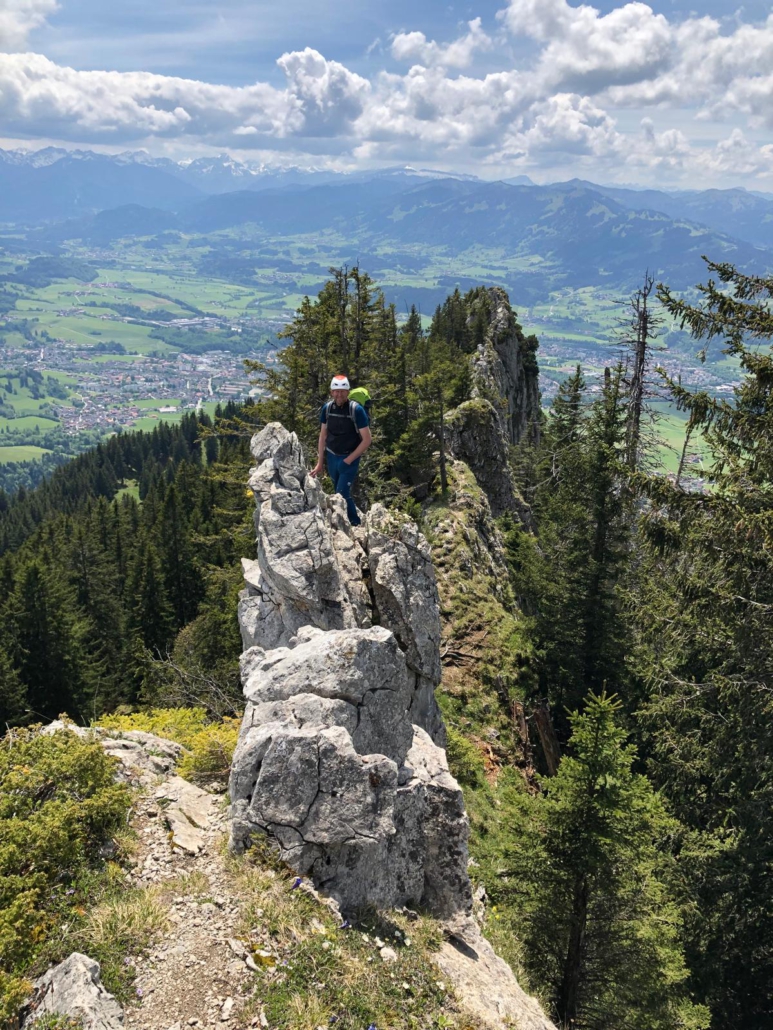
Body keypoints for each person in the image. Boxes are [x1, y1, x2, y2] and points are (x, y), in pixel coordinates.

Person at [311, 374, 372, 526]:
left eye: (342, 391)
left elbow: (367, 440)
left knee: (341, 493)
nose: (339, 394)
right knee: (340, 493)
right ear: (331, 392)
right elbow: (323, 436)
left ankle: (355, 524)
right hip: (332, 457)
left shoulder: (356, 410)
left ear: (348, 392)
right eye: (336, 391)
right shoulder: (327, 409)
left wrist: (348, 460)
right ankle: (350, 522)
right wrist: (320, 463)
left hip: (349, 457)